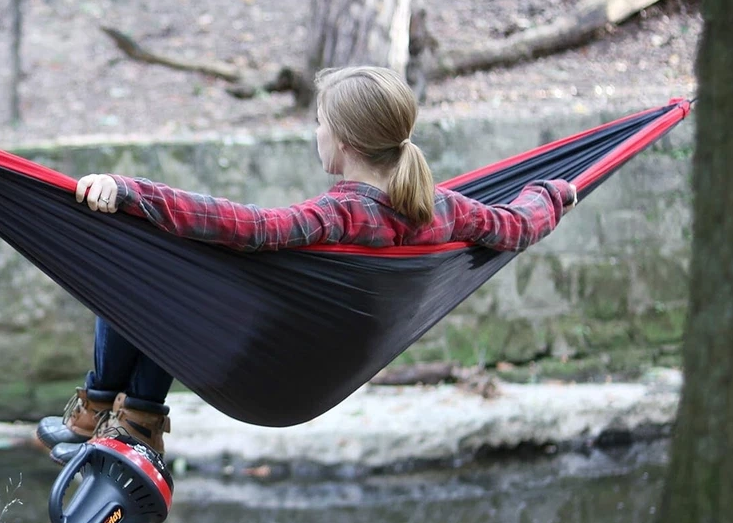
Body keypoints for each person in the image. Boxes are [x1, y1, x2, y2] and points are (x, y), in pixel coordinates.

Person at [37, 65, 576, 464]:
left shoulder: (339, 214)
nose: (315, 133)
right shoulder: (445, 209)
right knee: (171, 271)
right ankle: (134, 417)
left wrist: (134, 194)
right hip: (318, 361)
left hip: (266, 359)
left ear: (343, 141)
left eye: (319, 123)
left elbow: (245, 226)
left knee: (136, 264)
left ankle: (104, 405)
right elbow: (517, 224)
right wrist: (554, 191)